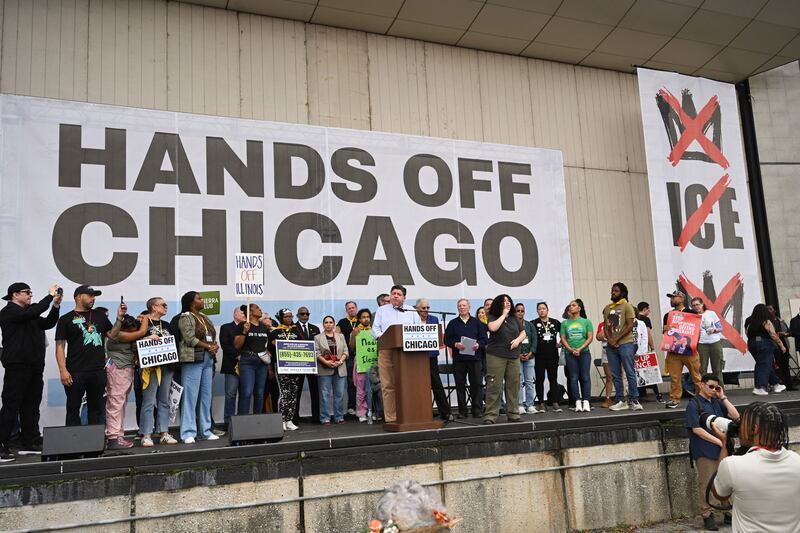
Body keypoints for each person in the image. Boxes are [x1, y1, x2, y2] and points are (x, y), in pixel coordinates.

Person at [712, 402, 800, 532]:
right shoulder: (797, 461)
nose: (739, 426)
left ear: (755, 429)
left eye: (743, 422)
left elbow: (719, 494)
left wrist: (725, 444)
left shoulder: (733, 465)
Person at [0, 283, 63, 461]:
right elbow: (30, 313)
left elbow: (48, 323)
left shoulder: (30, 314)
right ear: (15, 295)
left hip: (35, 365)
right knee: (11, 405)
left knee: (31, 405)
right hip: (17, 365)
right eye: (26, 293)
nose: (30, 295)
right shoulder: (9, 312)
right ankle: (2, 442)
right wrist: (49, 297)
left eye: (31, 292)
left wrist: (56, 305)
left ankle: (29, 441)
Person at [55, 285, 125, 427]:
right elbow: (60, 346)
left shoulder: (99, 316)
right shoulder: (65, 319)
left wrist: (119, 318)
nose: (93, 298)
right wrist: (63, 370)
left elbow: (112, 335)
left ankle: (95, 442)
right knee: (73, 408)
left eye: (94, 296)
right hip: (75, 371)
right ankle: (73, 444)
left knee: (96, 409)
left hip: (97, 370)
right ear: (78, 296)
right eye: (90, 295)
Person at [684, 373, 739, 531]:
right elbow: (696, 429)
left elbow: (735, 416)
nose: (713, 390)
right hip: (705, 450)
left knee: (726, 481)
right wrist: (719, 441)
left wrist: (723, 397)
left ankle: (728, 511)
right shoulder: (694, 405)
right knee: (706, 483)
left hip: (723, 449)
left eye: (716, 387)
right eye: (711, 387)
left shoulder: (716, 401)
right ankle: (707, 515)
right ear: (701, 385)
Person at [372, 285, 420, 425]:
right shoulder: (382, 310)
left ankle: (410, 414)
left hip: (407, 352)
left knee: (408, 383)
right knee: (388, 385)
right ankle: (391, 417)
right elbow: (375, 330)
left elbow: (418, 328)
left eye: (399, 294)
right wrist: (385, 338)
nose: (395, 296)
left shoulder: (411, 310)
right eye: (393, 293)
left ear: (404, 297)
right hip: (387, 351)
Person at [177, 291, 219, 444]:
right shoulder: (185, 317)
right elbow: (189, 339)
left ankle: (205, 431)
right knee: (190, 396)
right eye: (199, 298)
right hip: (193, 358)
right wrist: (209, 346)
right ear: (191, 302)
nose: (202, 300)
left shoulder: (205, 317)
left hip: (208, 359)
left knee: (206, 397)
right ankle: (188, 432)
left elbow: (211, 335)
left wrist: (214, 346)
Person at [104, 313, 148, 449]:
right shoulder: (116, 334)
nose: (133, 334)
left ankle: (118, 436)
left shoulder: (120, 333)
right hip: (118, 369)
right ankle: (113, 437)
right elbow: (142, 332)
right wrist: (146, 318)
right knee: (116, 403)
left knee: (119, 403)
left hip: (124, 369)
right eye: (131, 332)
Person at [139, 297, 178, 447]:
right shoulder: (142, 322)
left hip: (166, 366)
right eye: (163, 305)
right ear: (154, 307)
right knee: (148, 401)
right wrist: (147, 337)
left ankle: (164, 432)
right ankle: (146, 434)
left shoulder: (166, 324)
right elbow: (133, 341)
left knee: (164, 400)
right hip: (150, 368)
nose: (166, 307)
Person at [482, 295, 525, 425]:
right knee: (494, 385)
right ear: (498, 304)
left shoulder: (514, 318)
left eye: (508, 301)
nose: (507, 303)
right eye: (504, 301)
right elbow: (493, 327)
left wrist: (518, 340)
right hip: (496, 355)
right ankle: (490, 415)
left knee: (513, 385)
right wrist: (504, 315)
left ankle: (513, 413)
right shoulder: (492, 316)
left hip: (513, 356)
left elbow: (523, 332)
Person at [603, 282, 642, 411]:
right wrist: (610, 340)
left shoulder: (627, 306)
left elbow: (630, 325)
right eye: (612, 290)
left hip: (625, 343)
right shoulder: (608, 308)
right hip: (611, 345)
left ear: (623, 293)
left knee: (630, 372)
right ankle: (621, 400)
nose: (613, 293)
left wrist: (616, 339)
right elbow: (606, 327)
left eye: (616, 291)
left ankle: (634, 400)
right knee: (615, 374)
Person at [444, 299, 486, 419]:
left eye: (464, 305)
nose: (461, 308)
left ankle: (476, 410)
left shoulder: (476, 323)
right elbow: (446, 340)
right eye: (459, 306)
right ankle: (462, 411)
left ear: (469, 307)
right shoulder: (452, 323)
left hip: (475, 358)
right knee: (460, 385)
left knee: (476, 384)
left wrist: (478, 344)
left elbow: (484, 339)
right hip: (459, 359)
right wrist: (455, 344)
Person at [662, 290, 701, 409]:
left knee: (696, 376)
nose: (672, 299)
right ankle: (674, 399)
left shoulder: (691, 313)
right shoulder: (668, 315)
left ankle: (703, 398)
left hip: (689, 349)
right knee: (674, 376)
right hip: (674, 350)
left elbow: (697, 331)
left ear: (682, 299)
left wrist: (695, 345)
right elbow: (665, 332)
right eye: (671, 298)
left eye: (674, 297)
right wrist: (667, 329)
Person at [416, 298, 451, 422]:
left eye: (427, 308)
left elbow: (437, 339)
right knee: (418, 384)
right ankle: (420, 412)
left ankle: (445, 412)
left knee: (436, 383)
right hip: (416, 357)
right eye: (423, 308)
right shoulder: (412, 319)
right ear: (417, 309)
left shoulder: (434, 319)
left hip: (431, 356)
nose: (426, 310)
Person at [268, 309, 303, 430]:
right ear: (281, 318)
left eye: (290, 316)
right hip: (281, 366)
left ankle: (289, 420)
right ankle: (281, 420)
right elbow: (269, 350)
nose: (289, 318)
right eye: (286, 317)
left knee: (293, 393)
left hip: (295, 366)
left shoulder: (296, 331)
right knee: (284, 393)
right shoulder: (275, 332)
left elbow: (304, 347)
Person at [233, 303, 271, 416]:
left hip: (262, 362)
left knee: (260, 393)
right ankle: (242, 421)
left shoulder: (264, 327)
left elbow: (265, 345)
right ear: (250, 312)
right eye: (258, 308)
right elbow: (236, 345)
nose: (260, 310)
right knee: (247, 392)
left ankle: (257, 421)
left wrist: (268, 353)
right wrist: (244, 332)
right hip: (248, 361)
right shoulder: (243, 325)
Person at [744, 304, 787, 396]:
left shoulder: (748, 320)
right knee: (763, 364)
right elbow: (773, 334)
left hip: (751, 343)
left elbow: (747, 333)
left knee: (764, 363)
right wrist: (781, 345)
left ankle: (776, 384)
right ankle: (759, 387)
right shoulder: (766, 320)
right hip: (764, 342)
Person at [560, 300, 594, 412]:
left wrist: (580, 348)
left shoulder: (586, 322)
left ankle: (586, 401)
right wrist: (570, 349)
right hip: (570, 354)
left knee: (585, 377)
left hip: (584, 353)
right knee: (573, 378)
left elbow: (590, 337)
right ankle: (577, 401)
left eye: (574, 305)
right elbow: (563, 338)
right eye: (570, 305)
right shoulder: (565, 323)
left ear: (579, 308)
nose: (571, 307)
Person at [315, 315, 349, 424]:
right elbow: (317, 353)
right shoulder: (318, 337)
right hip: (324, 368)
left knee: (339, 394)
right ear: (323, 324)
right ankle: (325, 418)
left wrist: (340, 361)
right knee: (324, 395)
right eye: (326, 322)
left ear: (334, 324)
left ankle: (339, 417)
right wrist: (326, 362)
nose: (328, 324)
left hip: (340, 368)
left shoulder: (341, 336)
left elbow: (346, 351)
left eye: (330, 322)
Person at [531, 302, 562, 413]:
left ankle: (554, 402)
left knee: (553, 379)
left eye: (544, 308)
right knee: (539, 379)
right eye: (539, 309)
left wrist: (560, 343)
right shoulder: (533, 323)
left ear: (547, 310)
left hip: (553, 356)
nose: (542, 310)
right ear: (537, 311)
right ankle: (541, 403)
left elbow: (565, 333)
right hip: (539, 356)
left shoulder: (555, 322)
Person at [219, 306, 245, 429]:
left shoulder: (248, 327)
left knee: (245, 394)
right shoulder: (226, 327)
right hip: (231, 366)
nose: (244, 314)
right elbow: (225, 345)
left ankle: (241, 421)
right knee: (231, 395)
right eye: (242, 312)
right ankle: (228, 422)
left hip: (247, 367)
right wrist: (238, 356)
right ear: (235, 314)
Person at [294, 306, 320, 425]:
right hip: (298, 364)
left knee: (315, 391)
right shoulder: (293, 328)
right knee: (297, 391)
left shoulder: (315, 328)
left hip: (312, 364)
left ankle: (316, 417)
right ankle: (295, 418)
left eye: (307, 314)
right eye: (302, 314)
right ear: (297, 315)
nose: (305, 316)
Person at [635, 302, 664, 403]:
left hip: (633, 349)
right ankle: (657, 394)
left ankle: (640, 393)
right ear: (645, 309)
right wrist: (652, 347)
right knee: (648, 370)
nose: (649, 311)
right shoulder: (645, 320)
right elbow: (648, 334)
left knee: (636, 371)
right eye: (648, 309)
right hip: (643, 349)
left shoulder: (635, 319)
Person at [349, 308, 375, 422]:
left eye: (368, 317)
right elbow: (351, 347)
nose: (366, 319)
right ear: (359, 319)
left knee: (374, 388)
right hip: (360, 363)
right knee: (361, 390)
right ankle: (361, 412)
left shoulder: (374, 331)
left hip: (373, 363)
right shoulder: (355, 331)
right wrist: (354, 335)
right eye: (363, 317)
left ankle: (373, 411)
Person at [692, 297, 725, 386]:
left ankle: (720, 391)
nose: (696, 307)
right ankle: (703, 392)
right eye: (694, 305)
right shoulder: (693, 316)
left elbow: (721, 328)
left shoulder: (711, 313)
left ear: (702, 304)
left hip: (715, 343)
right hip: (702, 344)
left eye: (697, 304)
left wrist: (714, 330)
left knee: (717, 369)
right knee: (702, 369)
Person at [336, 301, 359, 416]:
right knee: (351, 381)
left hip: (362, 355)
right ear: (346, 310)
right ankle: (351, 406)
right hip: (349, 356)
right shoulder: (342, 322)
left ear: (356, 308)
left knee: (362, 382)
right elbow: (335, 336)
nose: (351, 310)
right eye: (349, 308)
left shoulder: (362, 320)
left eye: (353, 307)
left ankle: (363, 406)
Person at [515, 303, 537, 413]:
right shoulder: (512, 325)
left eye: (522, 311)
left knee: (529, 381)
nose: (520, 313)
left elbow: (534, 340)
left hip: (530, 357)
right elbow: (509, 341)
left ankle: (530, 404)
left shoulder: (529, 325)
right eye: (518, 310)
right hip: (516, 357)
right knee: (518, 382)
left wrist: (530, 353)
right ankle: (519, 405)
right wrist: (518, 354)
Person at [767, 304, 794, 390]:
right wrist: (777, 334)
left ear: (775, 311)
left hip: (784, 344)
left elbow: (789, 332)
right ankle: (780, 384)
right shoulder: (767, 322)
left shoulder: (781, 320)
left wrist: (785, 334)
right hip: (774, 346)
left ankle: (789, 385)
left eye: (770, 309)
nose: (769, 311)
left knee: (786, 365)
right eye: (767, 309)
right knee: (778, 366)